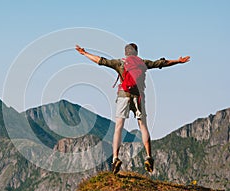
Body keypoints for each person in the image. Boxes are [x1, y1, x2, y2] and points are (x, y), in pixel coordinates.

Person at [75, 43, 190, 174]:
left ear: (126, 53)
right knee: (143, 126)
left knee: (118, 127)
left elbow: (100, 60)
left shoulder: (119, 63)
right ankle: (148, 156)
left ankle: (115, 158)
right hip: (138, 97)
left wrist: (85, 53)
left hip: (123, 96)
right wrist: (178, 61)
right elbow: (161, 63)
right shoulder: (143, 63)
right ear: (136, 52)